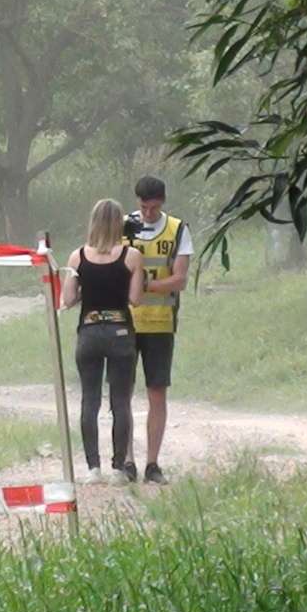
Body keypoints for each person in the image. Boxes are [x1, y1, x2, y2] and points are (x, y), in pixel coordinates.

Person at [61, 199, 146, 485]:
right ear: (119, 223)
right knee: (120, 401)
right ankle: (119, 468)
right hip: (120, 331)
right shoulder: (132, 256)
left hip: (89, 331)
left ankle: (92, 468)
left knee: (90, 400)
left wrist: (87, 290)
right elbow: (135, 299)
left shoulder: (77, 257)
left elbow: (68, 299)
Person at [124, 176, 192, 485]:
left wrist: (144, 285)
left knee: (157, 392)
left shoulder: (178, 229)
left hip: (160, 323)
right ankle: (126, 460)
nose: (148, 213)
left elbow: (180, 279)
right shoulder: (122, 226)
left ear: (162, 202)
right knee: (122, 393)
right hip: (125, 321)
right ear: (137, 202)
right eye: (143, 208)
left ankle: (152, 464)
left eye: (153, 208)